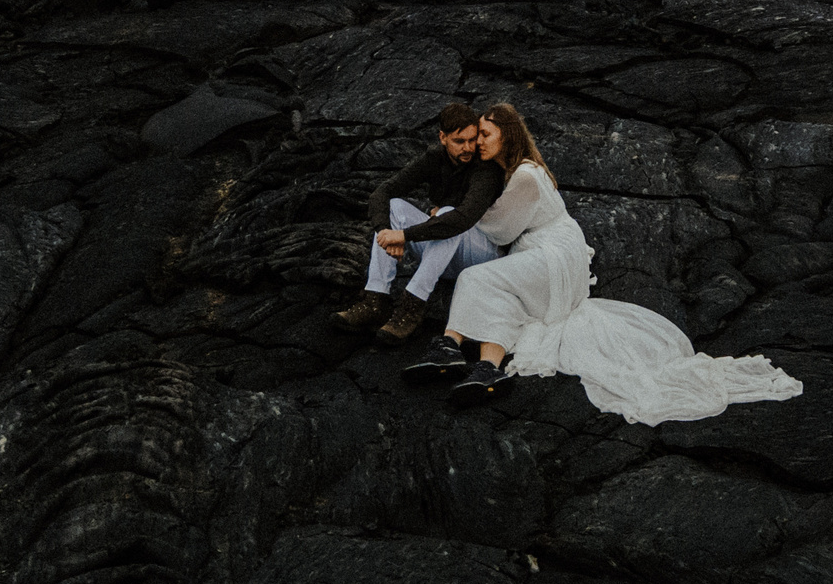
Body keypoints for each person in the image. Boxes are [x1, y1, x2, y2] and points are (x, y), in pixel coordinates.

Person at [431, 102, 804, 423]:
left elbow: (498, 230)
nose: (478, 142)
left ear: (507, 137)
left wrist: (457, 213)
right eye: (477, 135)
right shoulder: (519, 172)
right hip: (553, 254)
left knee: (476, 278)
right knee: (506, 295)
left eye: (485, 134)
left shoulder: (526, 175)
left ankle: (448, 345)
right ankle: (487, 370)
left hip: (553, 255)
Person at [330, 101, 508, 346]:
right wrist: (385, 233)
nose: (468, 147)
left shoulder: (486, 168)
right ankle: (375, 300)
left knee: (447, 214)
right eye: (459, 141)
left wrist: (404, 236)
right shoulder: (435, 157)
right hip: (443, 253)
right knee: (395, 206)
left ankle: (412, 305)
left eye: (472, 139)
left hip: (480, 256)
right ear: (443, 137)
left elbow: (463, 218)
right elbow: (382, 192)